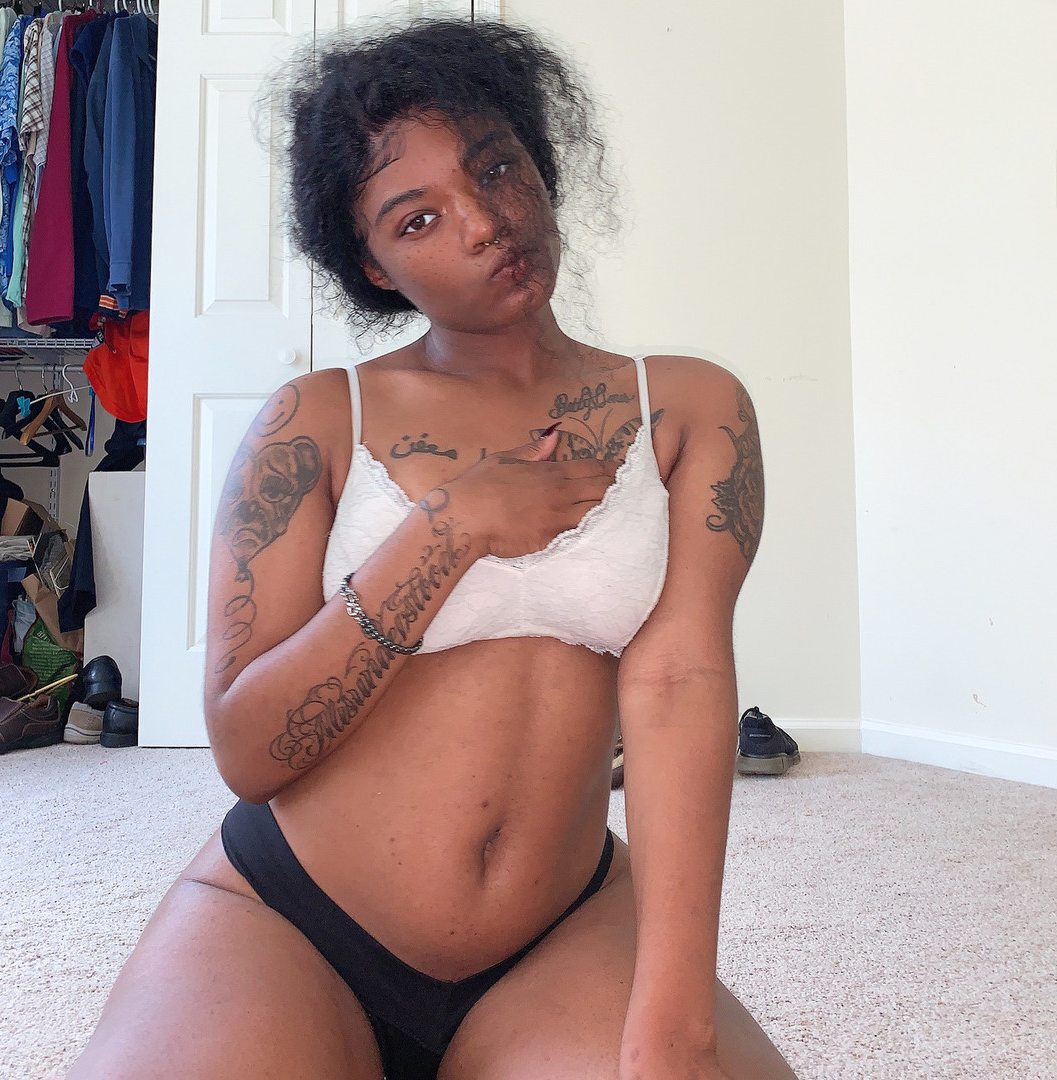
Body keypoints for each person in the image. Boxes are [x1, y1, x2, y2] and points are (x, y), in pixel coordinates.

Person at [66, 18, 797, 1080]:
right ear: (374, 263)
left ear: (539, 162)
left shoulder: (689, 407)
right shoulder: (315, 421)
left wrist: (672, 1018)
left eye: (495, 168)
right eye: (419, 217)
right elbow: (249, 751)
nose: (486, 222)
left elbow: (681, 682)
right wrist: (447, 531)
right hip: (290, 921)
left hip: (562, 930)